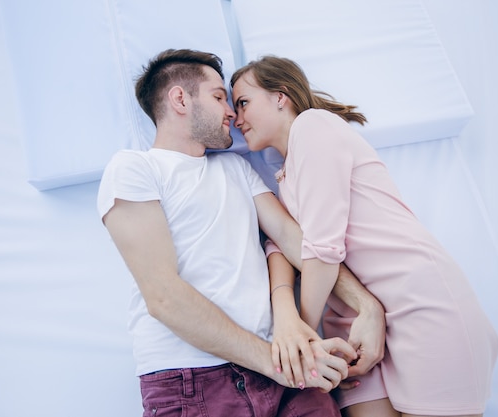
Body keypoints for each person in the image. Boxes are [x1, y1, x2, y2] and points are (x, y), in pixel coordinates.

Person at [97, 48, 386, 417]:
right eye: (219, 97)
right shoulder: (134, 168)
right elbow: (163, 297)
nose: (232, 112)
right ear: (180, 99)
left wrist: (366, 305)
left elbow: (294, 240)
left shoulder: (236, 169)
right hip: (192, 380)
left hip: (284, 372)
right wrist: (281, 364)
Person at [230, 55, 498, 417]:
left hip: (418, 304)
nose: (237, 118)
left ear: (281, 96)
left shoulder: (313, 126)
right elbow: (281, 244)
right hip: (351, 324)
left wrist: (307, 338)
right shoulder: (284, 178)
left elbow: (322, 250)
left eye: (243, 102)